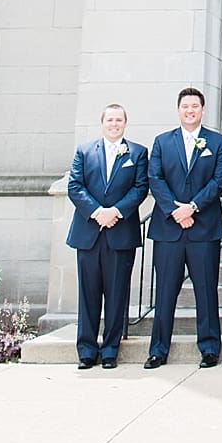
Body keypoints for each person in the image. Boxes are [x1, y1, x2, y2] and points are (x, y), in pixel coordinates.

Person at [144, 87, 222, 367]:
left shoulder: (217, 142)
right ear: (178, 110)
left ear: (202, 110)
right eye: (185, 106)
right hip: (169, 229)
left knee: (206, 290)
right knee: (165, 292)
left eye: (195, 106)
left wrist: (192, 207)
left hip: (204, 228)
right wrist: (175, 210)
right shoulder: (162, 142)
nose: (190, 111)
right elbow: (155, 179)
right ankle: (158, 350)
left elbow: (218, 180)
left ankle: (209, 348)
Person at [65, 103, 146, 368]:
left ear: (125, 123)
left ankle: (110, 350)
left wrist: (116, 212)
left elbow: (140, 188)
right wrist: (98, 212)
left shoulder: (138, 153)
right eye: (110, 120)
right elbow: (75, 186)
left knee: (116, 294)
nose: (114, 124)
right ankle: (87, 351)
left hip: (120, 234)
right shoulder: (85, 151)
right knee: (88, 295)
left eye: (119, 120)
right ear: (102, 123)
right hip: (89, 234)